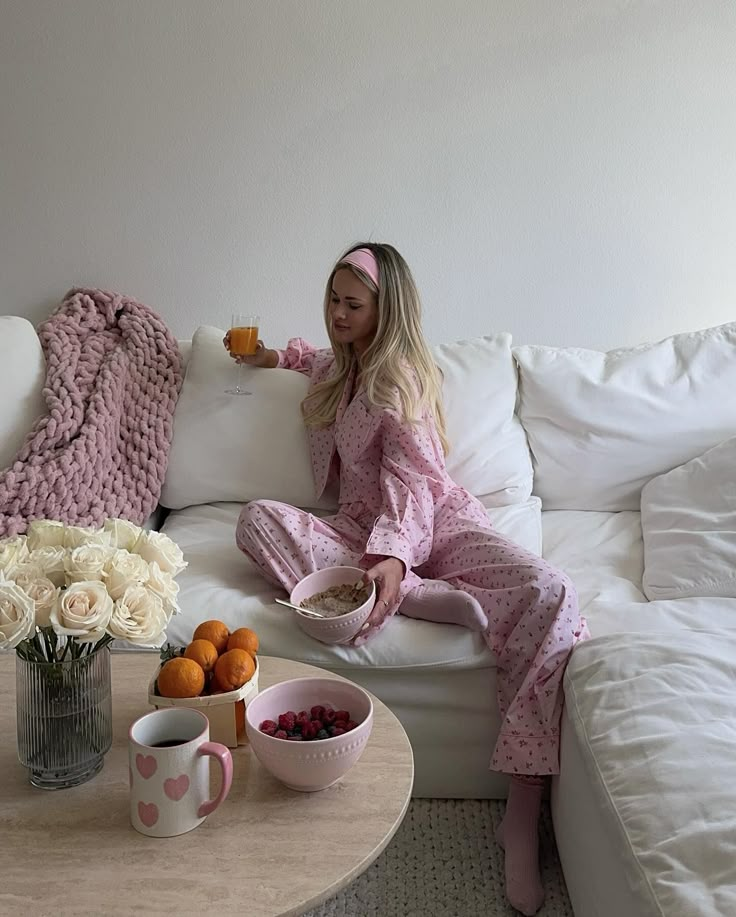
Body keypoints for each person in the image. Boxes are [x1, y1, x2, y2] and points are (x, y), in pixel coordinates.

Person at [226, 242, 587, 916]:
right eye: (333, 299)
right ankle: (420, 598)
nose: (337, 312)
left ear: (383, 310)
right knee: (255, 520)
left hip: (433, 522)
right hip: (359, 537)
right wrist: (273, 357)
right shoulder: (344, 363)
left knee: (550, 592)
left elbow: (416, 481)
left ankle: (523, 806)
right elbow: (314, 357)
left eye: (351, 304)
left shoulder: (402, 379)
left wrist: (393, 554)